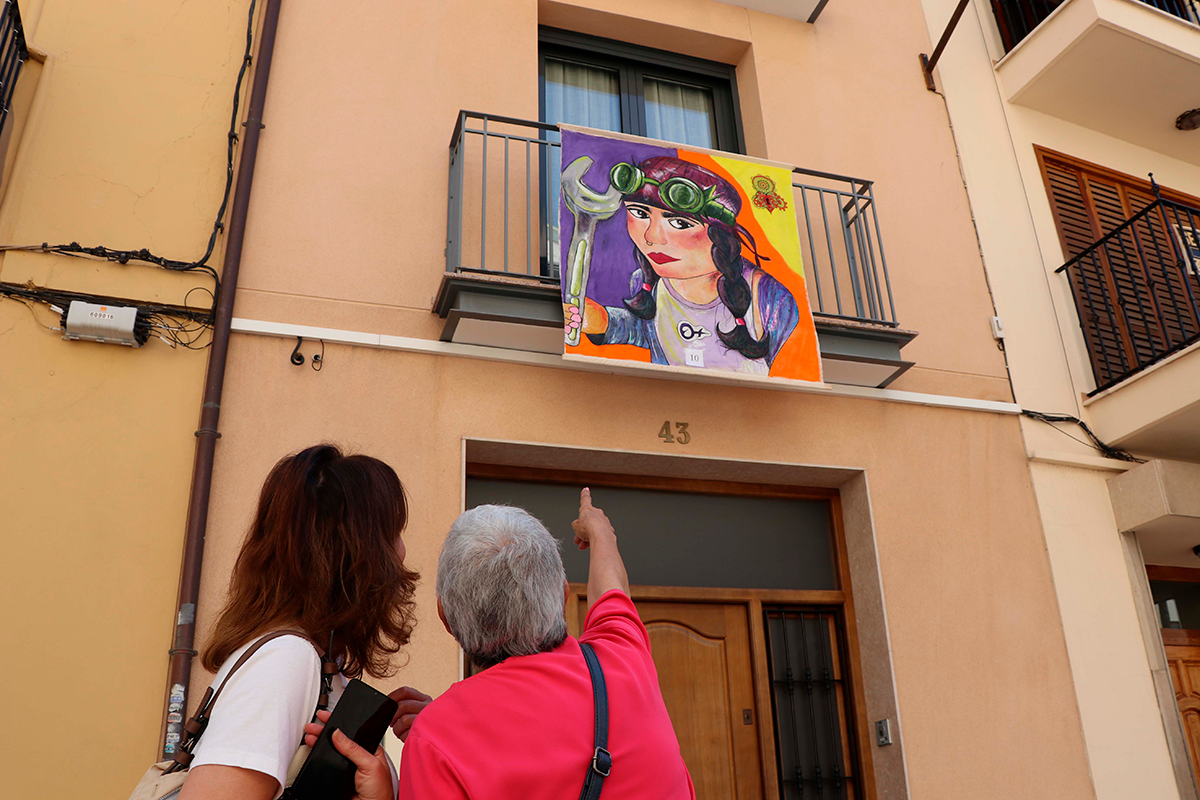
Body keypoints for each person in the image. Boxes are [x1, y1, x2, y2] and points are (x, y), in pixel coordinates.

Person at [318, 488, 695, 799]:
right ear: (563, 596)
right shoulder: (624, 659)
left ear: (446, 619)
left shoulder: (435, 739)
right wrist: (599, 531)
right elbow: (612, 588)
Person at [178, 444, 431, 800]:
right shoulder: (287, 661)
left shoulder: (308, 662)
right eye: (394, 532)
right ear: (359, 553)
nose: (402, 552)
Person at [564, 156, 799, 375]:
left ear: (721, 235)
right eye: (639, 213)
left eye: (679, 222)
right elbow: (648, 330)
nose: (652, 237)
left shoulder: (770, 300)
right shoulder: (646, 282)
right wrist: (604, 321)